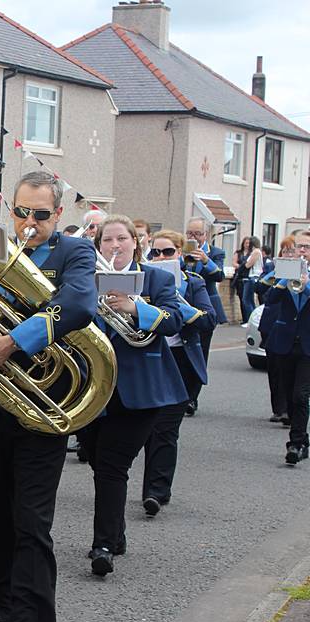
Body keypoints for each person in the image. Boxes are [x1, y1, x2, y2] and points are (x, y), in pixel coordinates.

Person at [0, 172, 98, 622]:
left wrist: (13, 341)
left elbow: (80, 304)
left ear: (58, 215)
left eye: (40, 214)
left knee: (31, 525)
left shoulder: (73, 255)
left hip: (42, 409)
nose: (30, 223)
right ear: (10, 210)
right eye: (21, 212)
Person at [83, 215, 187, 576]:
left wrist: (135, 307)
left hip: (141, 389)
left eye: (122, 239)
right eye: (107, 240)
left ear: (135, 243)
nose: (115, 246)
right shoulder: (87, 279)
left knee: (112, 465)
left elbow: (175, 320)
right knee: (98, 460)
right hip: (94, 386)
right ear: (99, 247)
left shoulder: (157, 278)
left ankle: (104, 545)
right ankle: (117, 534)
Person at [141, 230, 216, 517]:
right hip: (149, 357)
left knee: (166, 428)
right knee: (146, 427)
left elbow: (209, 319)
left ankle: (156, 491)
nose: (161, 258)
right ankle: (151, 485)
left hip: (181, 359)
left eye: (168, 252)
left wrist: (180, 307)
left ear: (180, 254)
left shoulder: (193, 282)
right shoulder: (142, 279)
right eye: (155, 253)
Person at [261, 231, 310, 465]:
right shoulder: (286, 271)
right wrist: (283, 279)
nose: (302, 251)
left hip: (308, 344)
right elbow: (270, 300)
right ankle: (303, 439)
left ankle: (296, 443)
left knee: (301, 395)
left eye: (307, 247)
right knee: (290, 395)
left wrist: (307, 285)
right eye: (300, 246)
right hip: (285, 340)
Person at [183, 217, 228, 415]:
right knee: (181, 351)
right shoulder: (182, 249)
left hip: (206, 306)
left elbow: (219, 275)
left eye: (197, 234)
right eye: (190, 233)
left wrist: (205, 260)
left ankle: (192, 397)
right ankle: (182, 395)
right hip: (183, 306)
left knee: (200, 352)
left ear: (206, 235)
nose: (193, 237)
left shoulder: (216, 253)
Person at [257, 236, 296, 423]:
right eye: (285, 251)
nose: (288, 254)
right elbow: (259, 288)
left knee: (289, 369)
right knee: (274, 367)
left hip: (289, 324)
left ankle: (290, 409)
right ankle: (278, 408)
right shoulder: (272, 268)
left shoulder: (303, 272)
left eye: (291, 251)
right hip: (271, 321)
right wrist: (276, 274)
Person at [240, 236, 264, 323]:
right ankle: (252, 320)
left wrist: (243, 265)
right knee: (249, 300)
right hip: (251, 277)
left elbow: (248, 265)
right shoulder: (255, 252)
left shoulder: (256, 252)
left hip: (253, 277)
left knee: (247, 300)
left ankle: (251, 321)